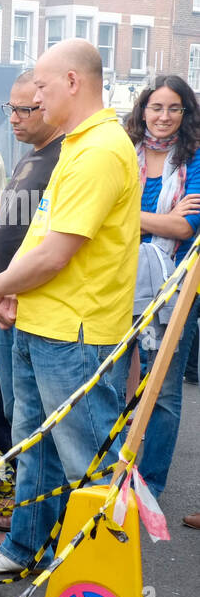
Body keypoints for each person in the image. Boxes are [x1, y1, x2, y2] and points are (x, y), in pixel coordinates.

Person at [0, 40, 139, 575]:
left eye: (40, 88)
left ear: (72, 82)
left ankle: (105, 574)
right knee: (35, 447)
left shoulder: (99, 149)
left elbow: (57, 251)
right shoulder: (76, 144)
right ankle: (24, 549)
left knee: (88, 458)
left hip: (77, 331)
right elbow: (43, 237)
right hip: (42, 321)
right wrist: (13, 291)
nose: (34, 100)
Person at [0, 73, 65, 539]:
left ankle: (39, 531)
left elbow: (51, 247)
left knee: (38, 430)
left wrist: (6, 294)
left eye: (24, 110)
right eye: (9, 109)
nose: (13, 118)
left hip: (33, 310)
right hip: (11, 307)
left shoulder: (64, 158)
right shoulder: (34, 156)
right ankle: (28, 519)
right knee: (17, 418)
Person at [118, 77, 200, 500]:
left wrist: (126, 216)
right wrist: (157, 217)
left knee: (163, 391)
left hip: (176, 288)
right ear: (143, 110)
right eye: (156, 107)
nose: (164, 117)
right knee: (110, 382)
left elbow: (185, 226)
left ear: (186, 113)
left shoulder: (196, 159)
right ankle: (110, 478)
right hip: (113, 281)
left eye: (174, 108)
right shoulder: (121, 152)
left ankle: (148, 488)